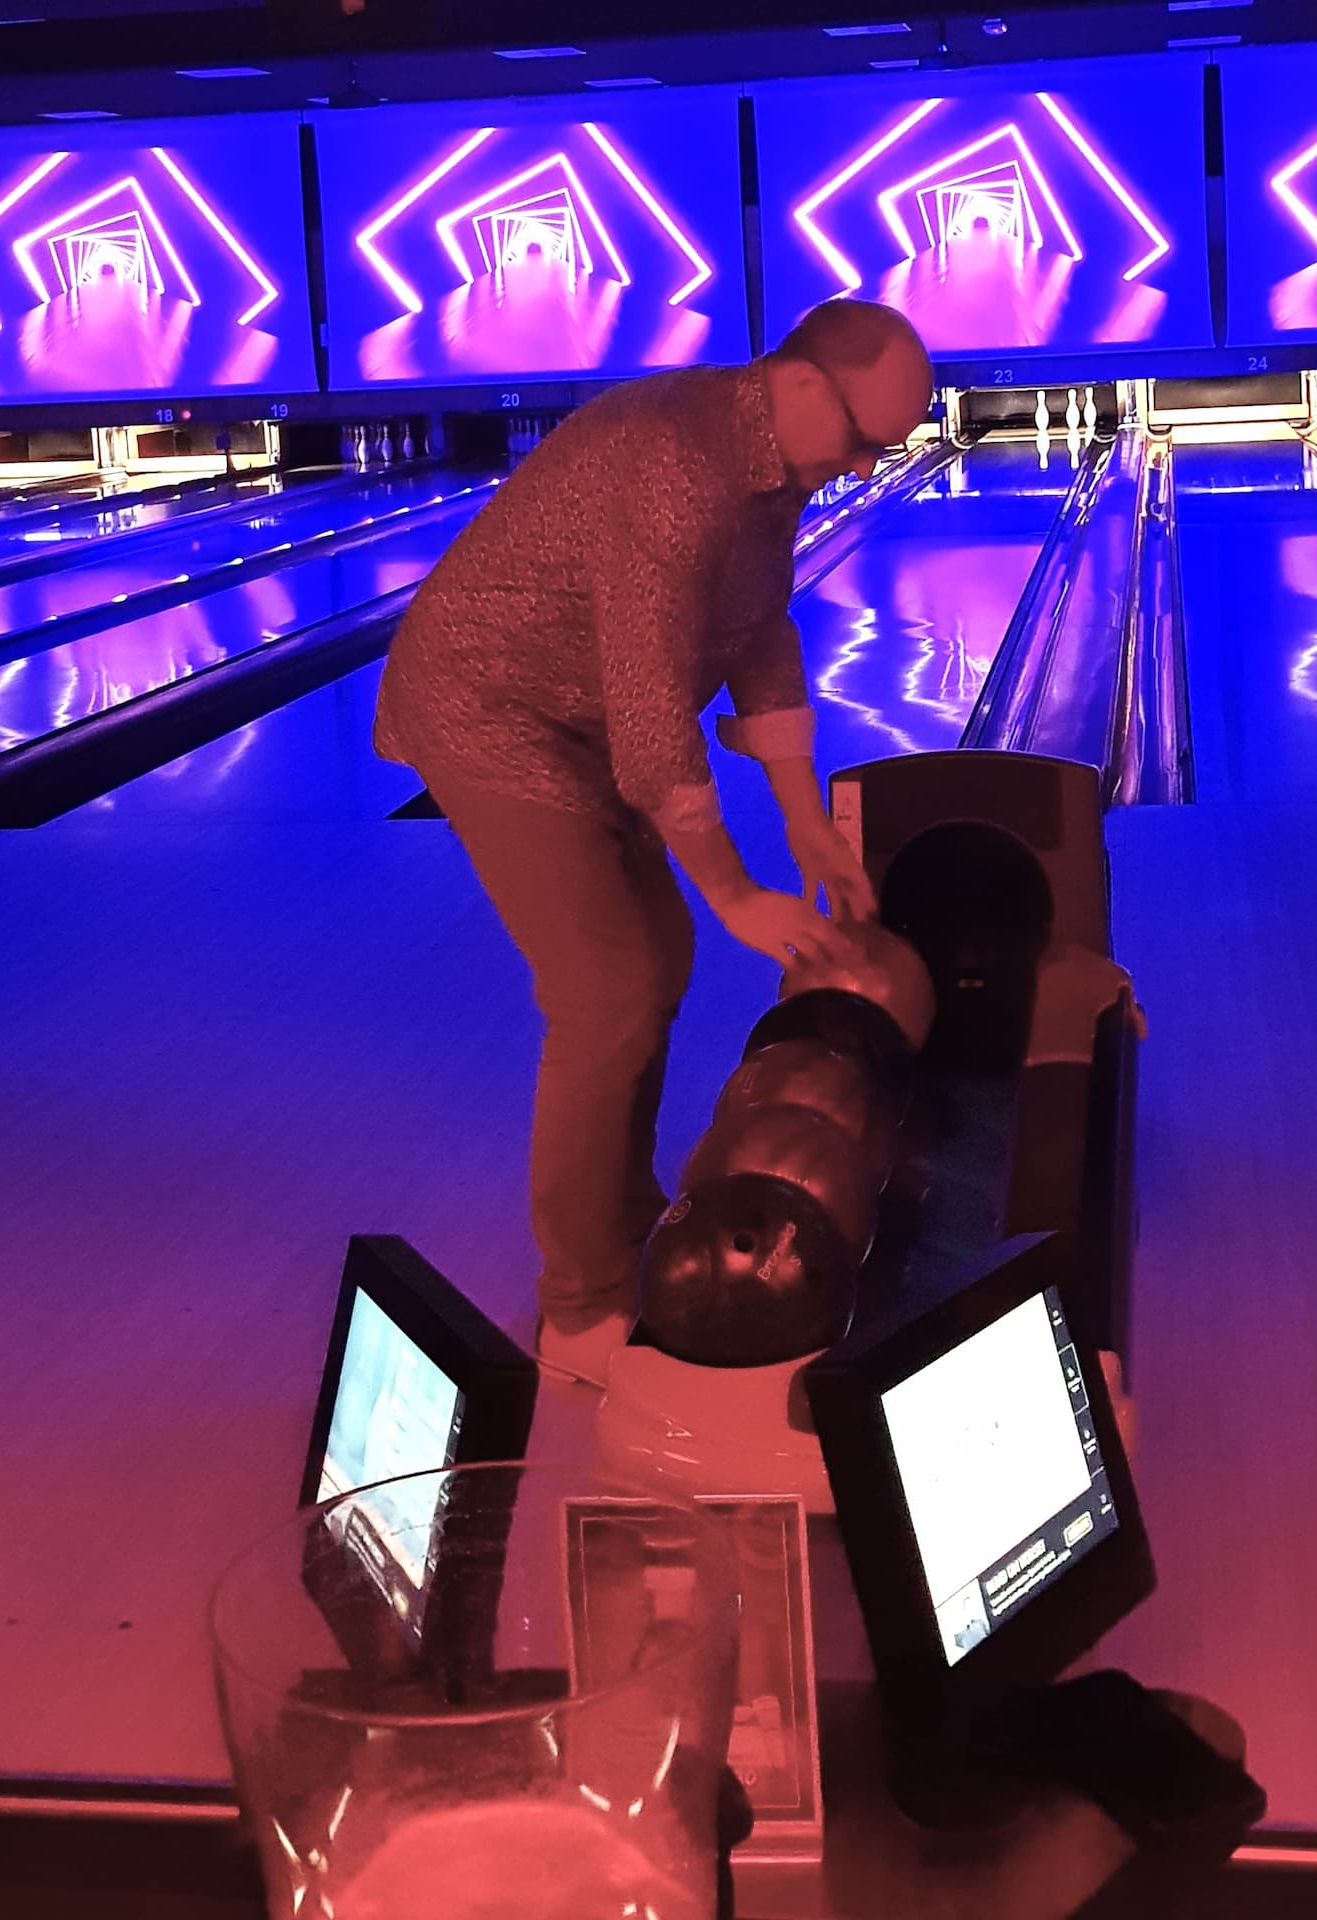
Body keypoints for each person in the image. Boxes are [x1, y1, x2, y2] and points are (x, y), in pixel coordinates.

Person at [374, 299, 935, 1383]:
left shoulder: (768, 464)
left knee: (654, 961)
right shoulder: (673, 466)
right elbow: (648, 724)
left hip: (579, 716)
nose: (868, 467)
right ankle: (578, 1307)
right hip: (492, 709)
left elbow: (759, 633)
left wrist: (804, 820)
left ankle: (626, 1210)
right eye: (866, 439)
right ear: (803, 383)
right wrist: (733, 891)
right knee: (605, 990)